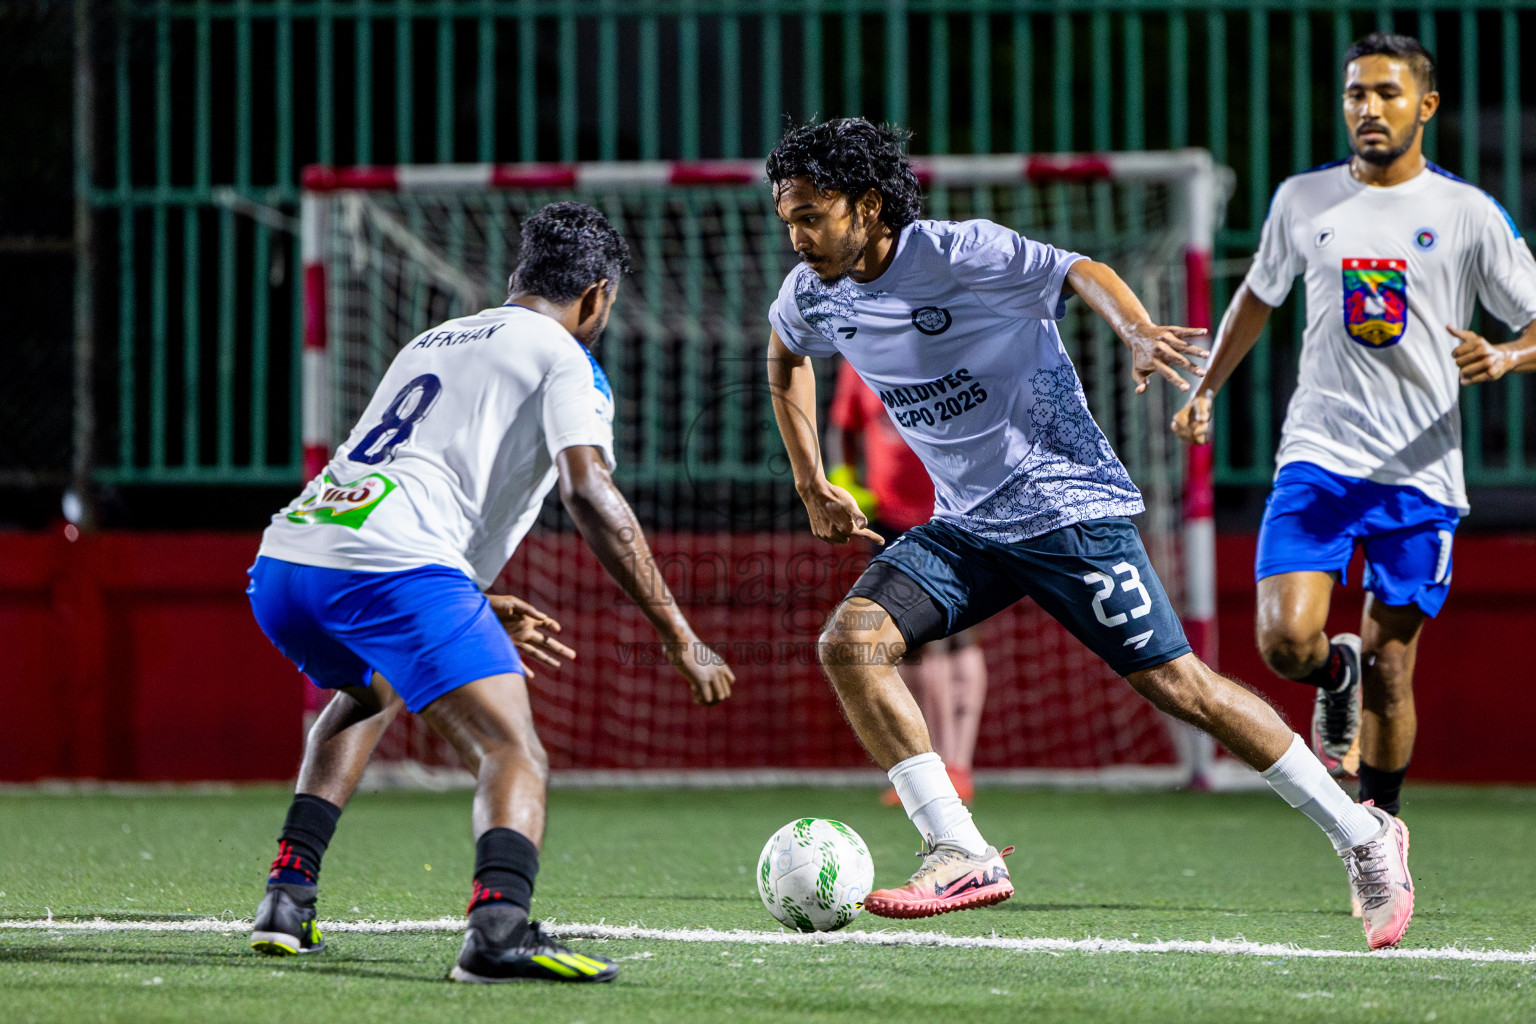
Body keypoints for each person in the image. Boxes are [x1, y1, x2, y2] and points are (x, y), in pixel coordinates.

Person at [765, 117, 1412, 950]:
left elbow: (1081, 269)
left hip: (1068, 510)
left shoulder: (962, 253)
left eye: (812, 213)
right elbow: (786, 357)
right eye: (789, 216)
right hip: (966, 526)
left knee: (1181, 689)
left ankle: (1364, 835)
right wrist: (811, 480)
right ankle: (959, 848)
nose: (798, 235)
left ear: (865, 205)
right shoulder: (812, 292)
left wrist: (1139, 329)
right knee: (852, 643)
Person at [244, 202, 735, 983]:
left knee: (370, 690)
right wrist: (678, 631)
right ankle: (499, 930)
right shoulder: (567, 357)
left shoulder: (434, 338)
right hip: (393, 567)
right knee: (511, 748)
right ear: (599, 296)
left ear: (518, 277)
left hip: (286, 562)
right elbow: (589, 491)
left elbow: (418, 472)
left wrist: (466, 598)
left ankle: (287, 896)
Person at [1172, 34, 1536, 824]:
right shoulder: (1302, 200)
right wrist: (1206, 388)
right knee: (1284, 643)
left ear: (1426, 107)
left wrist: (1508, 358)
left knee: (1392, 664)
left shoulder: (1466, 213)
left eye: (1387, 94)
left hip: (1422, 472)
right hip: (1319, 457)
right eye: (1355, 95)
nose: (1368, 109)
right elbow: (1259, 297)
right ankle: (1331, 677)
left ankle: (1381, 831)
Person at [825, 359, 987, 805]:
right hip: (891, 520)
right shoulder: (857, 361)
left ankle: (958, 766)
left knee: (958, 637)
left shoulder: (945, 350)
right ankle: (933, 766)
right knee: (913, 645)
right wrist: (844, 484)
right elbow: (841, 428)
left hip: (953, 514)